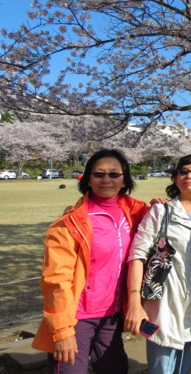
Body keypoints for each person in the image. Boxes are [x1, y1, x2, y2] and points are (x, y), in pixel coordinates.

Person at [32, 149, 149, 373]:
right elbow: (56, 280)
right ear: (88, 179)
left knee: (116, 368)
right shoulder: (69, 224)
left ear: (124, 180)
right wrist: (63, 331)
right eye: (99, 174)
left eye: (114, 174)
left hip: (112, 316)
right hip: (77, 318)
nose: (106, 180)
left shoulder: (135, 214)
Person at [125, 154, 191, 373]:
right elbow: (137, 256)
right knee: (162, 367)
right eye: (183, 171)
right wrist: (134, 302)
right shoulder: (161, 211)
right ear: (175, 178)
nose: (189, 176)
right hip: (164, 304)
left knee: (185, 366)